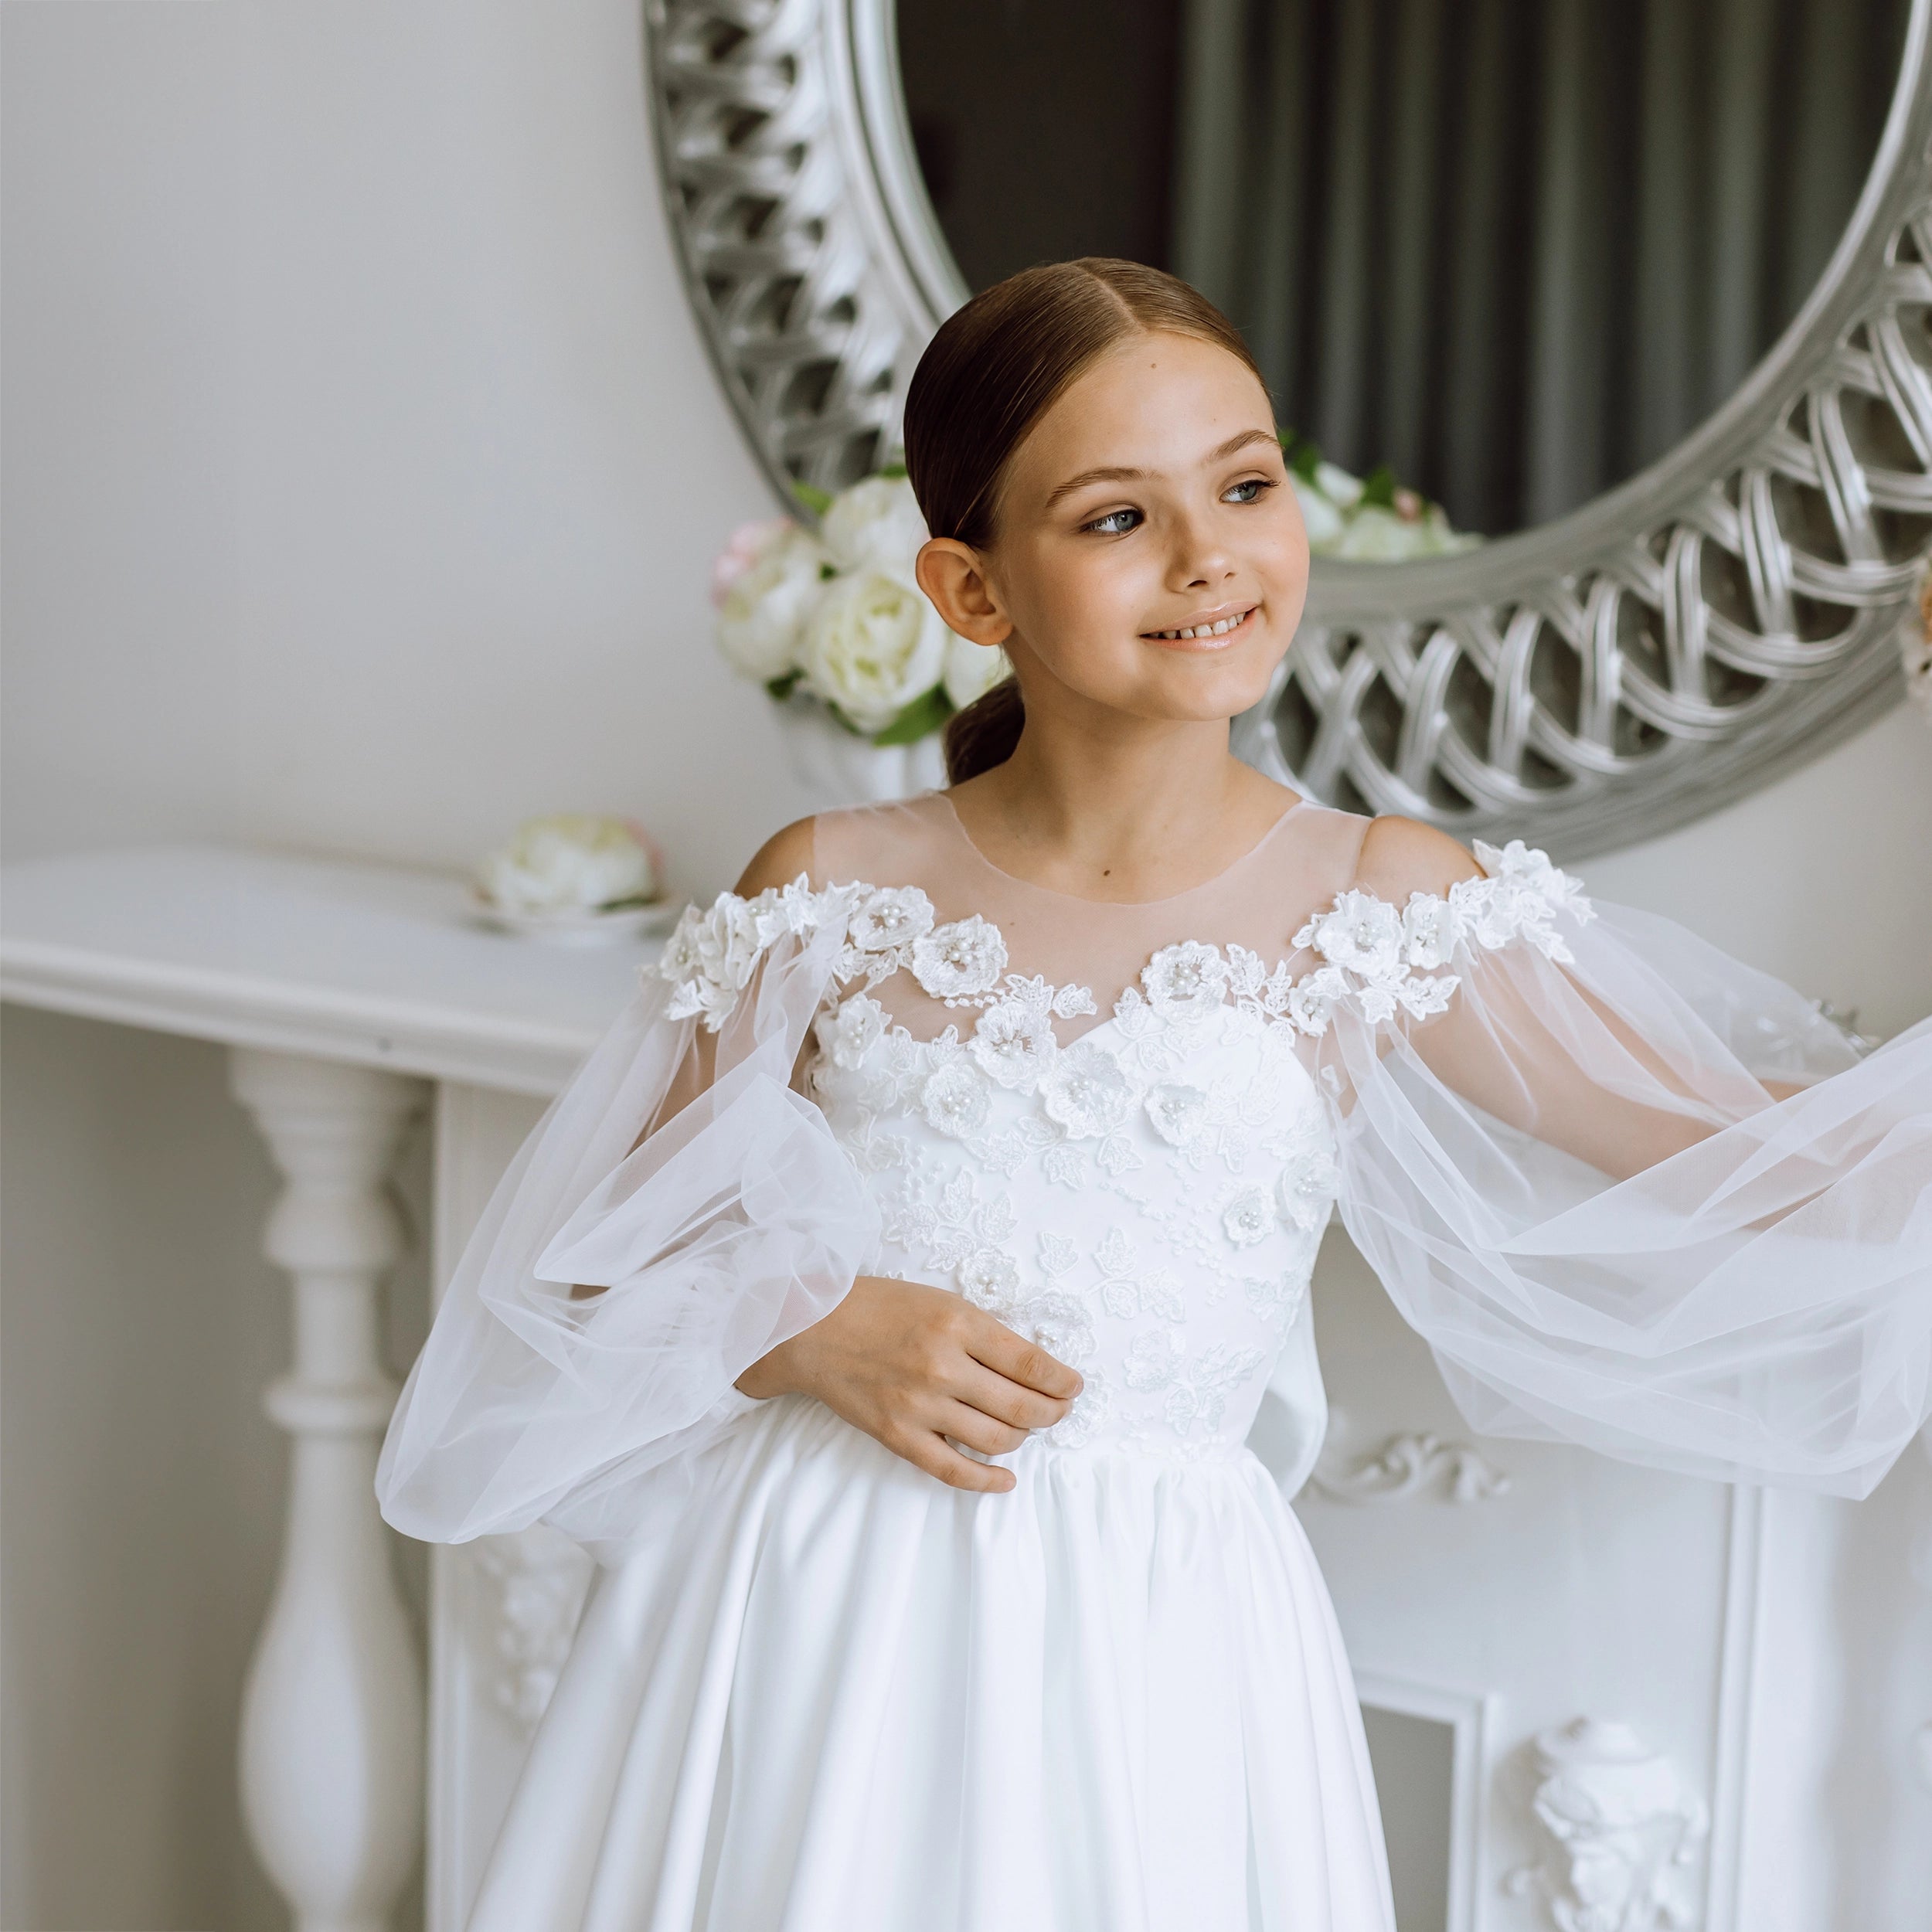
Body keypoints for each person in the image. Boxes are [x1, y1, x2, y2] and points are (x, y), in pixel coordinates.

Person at [375, 259, 1931, 1930]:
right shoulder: (827, 885)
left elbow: (1759, 1165)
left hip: (1159, 1649)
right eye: (1116, 518)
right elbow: (596, 1257)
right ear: (970, 591)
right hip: (814, 1612)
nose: (1209, 557)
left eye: (1245, 485)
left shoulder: (1375, 904)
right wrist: (808, 1322)